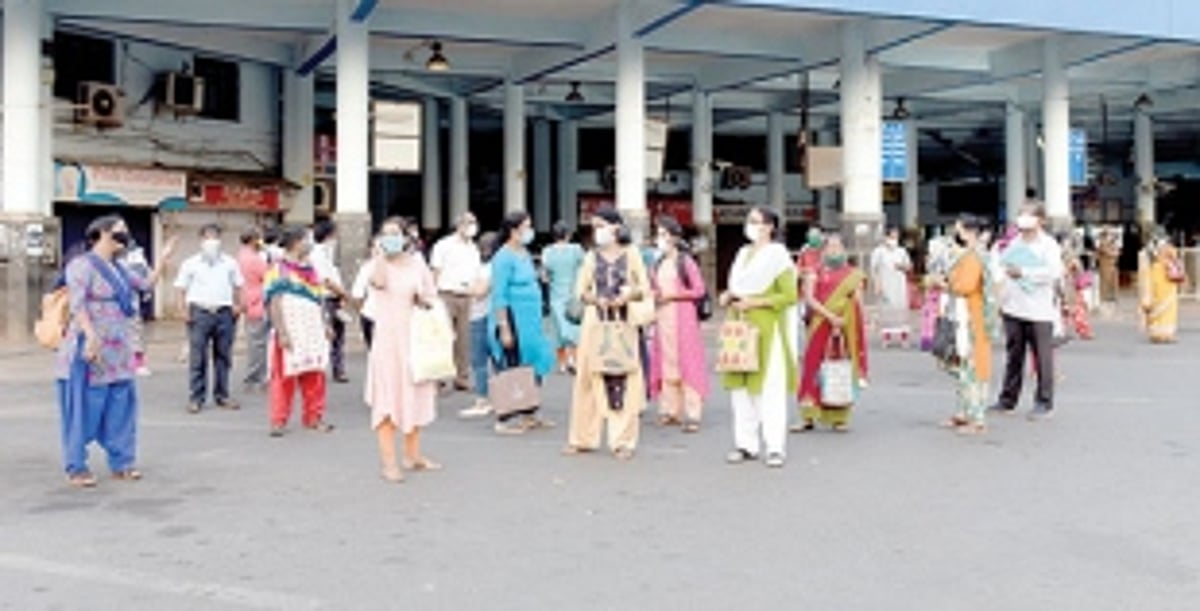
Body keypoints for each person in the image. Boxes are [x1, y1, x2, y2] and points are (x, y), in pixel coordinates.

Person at [55, 215, 175, 487]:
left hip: (118, 351)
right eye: (120, 232)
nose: (125, 237)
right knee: (84, 407)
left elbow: (145, 286)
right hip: (89, 347)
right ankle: (76, 466)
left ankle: (122, 461)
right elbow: (77, 304)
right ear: (103, 233)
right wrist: (90, 336)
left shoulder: (120, 268)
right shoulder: (81, 265)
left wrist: (164, 259)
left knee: (121, 405)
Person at [562, 208, 651, 460]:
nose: (597, 231)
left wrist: (626, 296)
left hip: (623, 322)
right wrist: (596, 299)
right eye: (594, 226)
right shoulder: (591, 256)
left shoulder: (632, 254)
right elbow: (581, 290)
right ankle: (582, 438)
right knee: (588, 379)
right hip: (595, 322)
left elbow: (643, 288)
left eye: (601, 225)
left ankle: (622, 441)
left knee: (624, 380)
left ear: (616, 227)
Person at [364, 218, 440, 482]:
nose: (391, 238)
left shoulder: (418, 264)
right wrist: (380, 256)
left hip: (415, 340)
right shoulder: (378, 264)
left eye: (395, 233)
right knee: (388, 398)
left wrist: (422, 301)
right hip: (387, 341)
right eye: (385, 234)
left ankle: (413, 454)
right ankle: (389, 462)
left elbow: (431, 296)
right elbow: (378, 282)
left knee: (415, 395)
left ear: (407, 237)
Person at [721, 207, 798, 468]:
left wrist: (755, 302)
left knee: (768, 389)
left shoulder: (778, 256)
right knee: (740, 389)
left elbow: (789, 296)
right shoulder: (743, 254)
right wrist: (729, 296)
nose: (750, 225)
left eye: (755, 221)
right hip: (738, 327)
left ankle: (775, 447)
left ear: (769, 227)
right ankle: (745, 444)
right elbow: (735, 288)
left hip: (766, 329)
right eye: (749, 221)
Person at [990, 203, 1063, 420]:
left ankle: (1044, 401)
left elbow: (1053, 272)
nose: (1023, 218)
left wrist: (1024, 272)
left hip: (1039, 310)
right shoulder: (1013, 243)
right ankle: (1007, 399)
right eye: (1021, 214)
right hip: (1013, 306)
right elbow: (999, 269)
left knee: (1042, 357)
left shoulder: (1048, 245)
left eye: (1029, 215)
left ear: (1041, 220)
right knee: (1014, 355)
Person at [489, 211, 556, 434]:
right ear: (513, 230)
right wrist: (504, 327)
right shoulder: (503, 257)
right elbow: (499, 294)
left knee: (532, 365)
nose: (529, 231)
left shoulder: (524, 253)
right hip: (514, 319)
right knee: (512, 367)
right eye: (525, 226)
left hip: (531, 321)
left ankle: (529, 413)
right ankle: (504, 418)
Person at [795, 234, 868, 433]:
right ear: (824, 250)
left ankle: (839, 417)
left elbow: (858, 302)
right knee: (812, 367)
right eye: (830, 246)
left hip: (844, 326)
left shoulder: (853, 274)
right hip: (819, 324)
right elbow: (809, 298)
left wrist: (852, 321)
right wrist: (830, 317)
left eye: (838, 246)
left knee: (839, 369)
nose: (834, 250)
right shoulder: (814, 271)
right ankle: (808, 416)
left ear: (844, 250)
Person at [265, 227, 334, 437]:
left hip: (312, 329)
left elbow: (319, 299)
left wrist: (326, 324)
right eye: (307, 240)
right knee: (284, 377)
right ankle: (278, 420)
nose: (310, 244)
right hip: (291, 328)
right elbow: (274, 303)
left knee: (315, 374)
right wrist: (282, 331)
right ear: (296, 243)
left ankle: (314, 417)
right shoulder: (278, 269)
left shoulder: (311, 269)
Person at [175, 224, 244, 414]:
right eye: (208, 237)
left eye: (215, 237)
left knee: (223, 357)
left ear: (220, 240)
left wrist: (238, 305)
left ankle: (222, 395)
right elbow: (181, 288)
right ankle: (196, 398)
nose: (211, 241)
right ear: (201, 240)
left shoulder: (230, 263)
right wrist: (182, 310)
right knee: (198, 358)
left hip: (224, 313)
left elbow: (238, 285)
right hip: (199, 312)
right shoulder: (190, 263)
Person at [648, 217, 709, 433]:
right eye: (658, 234)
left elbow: (699, 290)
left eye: (664, 235)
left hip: (683, 317)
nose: (660, 239)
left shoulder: (686, 262)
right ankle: (670, 410)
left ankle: (693, 413)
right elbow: (652, 287)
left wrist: (673, 295)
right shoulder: (657, 263)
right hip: (663, 318)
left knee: (688, 361)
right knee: (666, 361)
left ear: (674, 237)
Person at [941, 215, 996, 435]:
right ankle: (964, 412)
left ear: (967, 231)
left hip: (973, 318)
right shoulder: (973, 254)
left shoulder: (974, 256)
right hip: (968, 315)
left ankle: (977, 418)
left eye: (958, 229)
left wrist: (946, 282)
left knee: (973, 368)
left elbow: (965, 285)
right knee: (964, 366)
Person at [430, 212, 483, 392]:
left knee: (464, 339)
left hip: (467, 296)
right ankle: (438, 377)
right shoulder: (444, 245)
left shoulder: (473, 249)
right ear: (458, 225)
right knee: (443, 337)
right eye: (468, 222)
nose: (472, 226)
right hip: (446, 294)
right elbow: (436, 271)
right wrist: (432, 296)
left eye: (473, 222)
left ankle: (462, 377)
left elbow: (477, 274)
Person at [461, 232, 500, 419]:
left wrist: (467, 287)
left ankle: (483, 399)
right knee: (497, 359)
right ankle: (500, 398)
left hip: (481, 316)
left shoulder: (486, 269)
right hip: (493, 315)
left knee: (479, 360)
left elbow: (479, 292)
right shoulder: (498, 267)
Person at [541, 220, 585, 373]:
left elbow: (544, 277)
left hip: (556, 297)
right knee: (574, 330)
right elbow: (584, 269)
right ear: (568, 235)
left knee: (557, 332)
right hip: (573, 296)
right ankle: (574, 359)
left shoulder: (548, 252)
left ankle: (562, 363)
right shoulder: (576, 250)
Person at [311, 219, 349, 383]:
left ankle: (338, 369)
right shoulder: (318, 254)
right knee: (326, 334)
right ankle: (320, 368)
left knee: (338, 336)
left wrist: (341, 296)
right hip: (325, 298)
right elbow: (325, 280)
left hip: (335, 298)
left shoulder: (328, 253)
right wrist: (344, 294)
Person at [237, 227, 271, 392]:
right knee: (258, 344)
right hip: (258, 302)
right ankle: (255, 378)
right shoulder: (255, 259)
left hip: (248, 301)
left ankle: (256, 377)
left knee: (255, 342)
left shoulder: (240, 256)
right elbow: (270, 278)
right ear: (254, 240)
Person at [870, 227, 913, 346]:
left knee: (901, 309)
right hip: (886, 283)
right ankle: (886, 338)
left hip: (899, 284)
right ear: (886, 237)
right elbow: (874, 269)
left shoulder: (901, 251)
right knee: (886, 310)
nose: (894, 239)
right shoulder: (879, 252)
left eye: (896, 237)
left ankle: (904, 338)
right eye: (892, 237)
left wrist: (903, 267)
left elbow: (909, 266)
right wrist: (877, 284)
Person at [1141, 235, 1183, 343]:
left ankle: (1160, 334)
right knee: (1164, 306)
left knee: (1162, 305)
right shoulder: (1167, 250)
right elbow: (1174, 258)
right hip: (1163, 277)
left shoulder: (1155, 253)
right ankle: (1163, 334)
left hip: (1162, 276)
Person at [351, 236, 382, 349]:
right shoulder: (367, 268)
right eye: (375, 246)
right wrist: (363, 312)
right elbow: (357, 295)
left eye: (381, 246)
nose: (378, 250)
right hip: (371, 315)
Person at [1060, 234, 1093, 340]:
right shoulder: (1074, 259)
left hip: (1064, 287)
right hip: (1070, 287)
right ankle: (1083, 331)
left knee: (1064, 310)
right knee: (1077, 310)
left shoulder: (1057, 256)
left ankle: (1061, 331)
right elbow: (1080, 271)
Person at [1097, 228, 1120, 310]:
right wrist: (1113, 253)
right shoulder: (1102, 243)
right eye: (1107, 234)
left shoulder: (1111, 243)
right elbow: (1106, 252)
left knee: (1112, 281)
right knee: (1105, 281)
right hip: (1105, 265)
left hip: (1111, 264)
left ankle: (1111, 296)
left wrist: (1114, 253)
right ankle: (1104, 297)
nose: (1109, 236)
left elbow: (1117, 252)